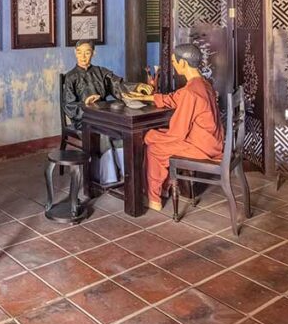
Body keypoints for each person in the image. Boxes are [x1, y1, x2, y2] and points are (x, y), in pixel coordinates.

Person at [124, 42, 223, 211]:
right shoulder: (202, 84)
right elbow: (174, 98)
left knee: (153, 147)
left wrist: (150, 136)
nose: (174, 65)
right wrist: (148, 98)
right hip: (212, 141)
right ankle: (162, 189)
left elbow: (177, 133)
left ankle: (154, 198)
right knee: (155, 138)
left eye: (174, 62)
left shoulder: (191, 91)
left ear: (183, 63)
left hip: (202, 147)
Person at [62, 40, 151, 184]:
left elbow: (119, 85)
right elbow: (69, 105)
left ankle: (127, 173)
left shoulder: (101, 72)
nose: (83, 56)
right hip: (84, 120)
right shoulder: (70, 77)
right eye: (79, 52)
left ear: (93, 53)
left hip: (103, 117)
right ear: (75, 53)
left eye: (87, 52)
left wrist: (137, 86)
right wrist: (85, 104)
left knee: (121, 131)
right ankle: (108, 177)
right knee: (103, 134)